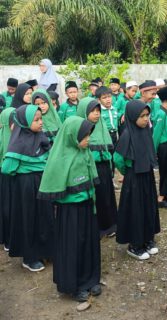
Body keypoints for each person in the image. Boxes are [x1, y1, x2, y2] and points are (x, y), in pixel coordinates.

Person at [38, 116, 101, 302]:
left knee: (89, 243)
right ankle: (74, 285)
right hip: (70, 212)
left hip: (88, 206)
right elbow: (53, 185)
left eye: (89, 134)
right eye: (85, 136)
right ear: (73, 136)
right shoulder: (60, 157)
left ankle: (91, 279)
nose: (88, 139)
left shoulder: (85, 153)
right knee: (73, 245)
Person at [2, 104, 54, 272]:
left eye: (41, 119)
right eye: (36, 120)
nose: (40, 123)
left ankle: (46, 250)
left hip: (42, 184)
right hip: (25, 187)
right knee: (29, 219)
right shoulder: (18, 143)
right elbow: (7, 168)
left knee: (45, 216)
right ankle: (30, 257)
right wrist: (25, 172)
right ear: (24, 122)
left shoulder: (42, 138)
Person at [114, 100, 160, 260]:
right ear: (133, 116)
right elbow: (118, 158)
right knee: (136, 210)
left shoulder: (146, 131)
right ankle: (134, 245)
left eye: (147, 115)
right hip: (134, 178)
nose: (146, 119)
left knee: (148, 206)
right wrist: (128, 171)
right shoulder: (127, 134)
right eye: (142, 116)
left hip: (146, 175)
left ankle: (147, 238)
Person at [76, 97, 117, 238]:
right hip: (89, 169)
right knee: (95, 197)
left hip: (104, 167)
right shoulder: (79, 129)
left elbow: (108, 148)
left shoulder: (101, 125)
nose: (96, 114)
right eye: (92, 111)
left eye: (98, 110)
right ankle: (97, 227)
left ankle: (110, 224)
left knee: (106, 195)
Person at [0, 107, 16, 251]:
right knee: (6, 208)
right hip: (4, 178)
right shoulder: (2, 136)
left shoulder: (19, 137)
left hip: (16, 177)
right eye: (13, 122)